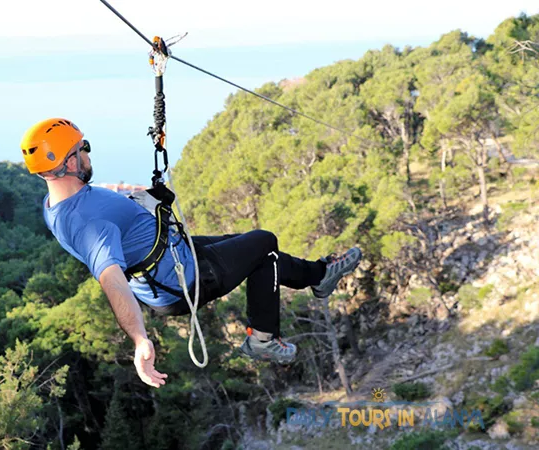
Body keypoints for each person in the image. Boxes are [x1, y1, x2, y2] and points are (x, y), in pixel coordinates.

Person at [20, 118, 362, 388]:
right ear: (67, 162)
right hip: (184, 279)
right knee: (263, 242)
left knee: (256, 252)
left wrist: (142, 196)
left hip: (176, 253)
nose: (89, 154)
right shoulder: (88, 225)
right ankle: (262, 338)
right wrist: (139, 339)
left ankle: (319, 276)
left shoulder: (56, 202)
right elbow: (112, 281)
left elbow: (103, 200)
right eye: (84, 148)